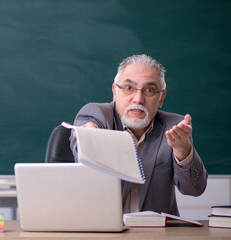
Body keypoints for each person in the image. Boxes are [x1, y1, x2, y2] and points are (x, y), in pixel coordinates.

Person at [70, 54, 207, 216]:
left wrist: (183, 150)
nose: (138, 99)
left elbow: (194, 189)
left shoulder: (174, 127)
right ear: (115, 92)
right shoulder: (96, 115)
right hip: (103, 230)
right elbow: (82, 142)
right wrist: (90, 138)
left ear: (161, 98)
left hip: (157, 233)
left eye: (149, 90)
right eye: (129, 88)